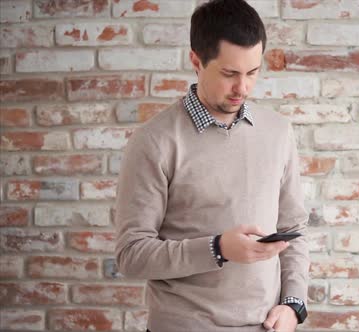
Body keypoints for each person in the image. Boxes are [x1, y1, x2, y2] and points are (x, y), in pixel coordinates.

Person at [114, 0, 309, 331]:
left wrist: (293, 304)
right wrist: (217, 249)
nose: (243, 88)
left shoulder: (278, 131)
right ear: (196, 60)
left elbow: (295, 228)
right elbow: (131, 256)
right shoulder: (154, 141)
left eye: (253, 72)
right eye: (230, 73)